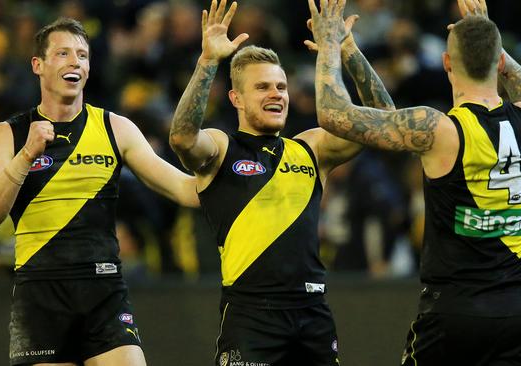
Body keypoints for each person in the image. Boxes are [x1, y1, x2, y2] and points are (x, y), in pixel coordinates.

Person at [308, 0, 521, 364]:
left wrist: (330, 44)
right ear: (501, 62)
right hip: (520, 313)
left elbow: (333, 113)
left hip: (453, 313)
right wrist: (349, 50)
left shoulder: (437, 129)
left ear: (446, 64)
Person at [168, 0, 392, 364]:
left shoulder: (311, 148)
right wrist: (208, 62)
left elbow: (384, 123)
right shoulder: (224, 147)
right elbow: (181, 138)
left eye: (281, 86)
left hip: (312, 312)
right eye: (262, 87)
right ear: (236, 98)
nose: (276, 94)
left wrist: (347, 48)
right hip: (251, 314)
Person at [0, 17, 199, 366]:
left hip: (104, 290)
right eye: (62, 53)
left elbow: (185, 189)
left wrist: (207, 63)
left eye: (82, 55)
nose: (75, 61)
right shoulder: (8, 134)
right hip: (41, 293)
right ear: (38, 65)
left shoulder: (114, 128)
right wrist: (27, 155)